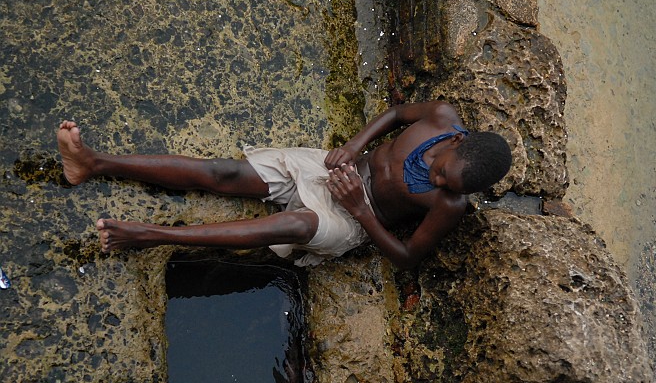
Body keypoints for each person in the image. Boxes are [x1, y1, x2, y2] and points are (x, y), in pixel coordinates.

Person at [57, 101, 511, 269]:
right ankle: (92, 163)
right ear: (454, 140)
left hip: (353, 218)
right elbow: (395, 115)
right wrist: (353, 147)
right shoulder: (441, 117)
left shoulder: (450, 204)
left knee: (292, 224)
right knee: (226, 174)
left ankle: (149, 236)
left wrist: (360, 211)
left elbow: (409, 257)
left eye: (444, 185)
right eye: (441, 171)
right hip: (334, 170)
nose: (436, 182)